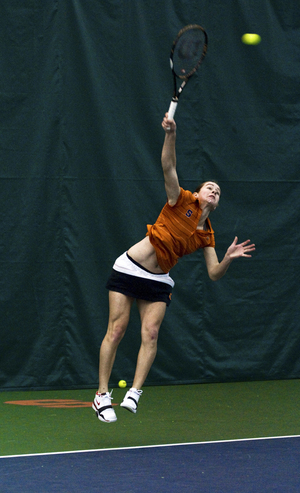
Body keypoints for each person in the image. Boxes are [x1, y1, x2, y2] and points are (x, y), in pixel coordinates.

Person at [92, 114, 255, 423]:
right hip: (130, 267)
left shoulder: (207, 234)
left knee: (150, 333)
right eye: (210, 187)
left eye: (218, 191)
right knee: (117, 329)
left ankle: (134, 392)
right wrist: (171, 134)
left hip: (158, 279)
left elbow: (213, 274)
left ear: (216, 204)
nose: (213, 191)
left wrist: (228, 259)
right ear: (199, 192)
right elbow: (168, 166)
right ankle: (101, 394)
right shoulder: (180, 200)